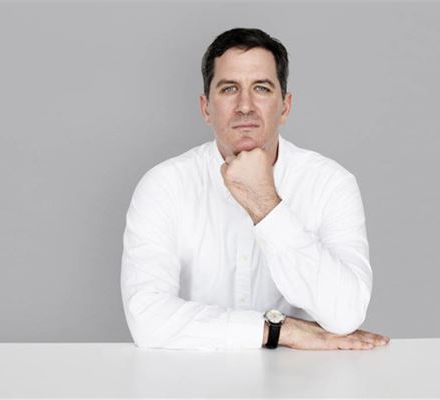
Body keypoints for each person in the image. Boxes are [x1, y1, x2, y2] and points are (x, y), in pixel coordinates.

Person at [121, 27, 389, 351]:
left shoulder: (330, 184)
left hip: (301, 378)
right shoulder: (163, 186)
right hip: (194, 376)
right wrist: (278, 329)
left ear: (285, 106)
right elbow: (147, 319)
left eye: (261, 88)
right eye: (229, 88)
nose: (245, 106)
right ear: (206, 108)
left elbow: (346, 313)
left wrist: (265, 204)